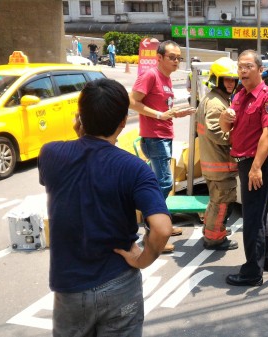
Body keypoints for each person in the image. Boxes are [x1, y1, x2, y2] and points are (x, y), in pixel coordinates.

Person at [38, 78, 172, 337]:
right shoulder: (134, 168)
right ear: (123, 122)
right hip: (119, 282)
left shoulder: (50, 154)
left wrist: (83, 135)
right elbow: (162, 228)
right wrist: (142, 260)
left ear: (80, 117)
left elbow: (81, 165)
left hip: (70, 287)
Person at [219, 49, 268, 287]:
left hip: (261, 163)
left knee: (253, 218)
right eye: (240, 67)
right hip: (247, 162)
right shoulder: (239, 95)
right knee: (260, 213)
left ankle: (251, 272)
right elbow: (227, 127)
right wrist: (225, 118)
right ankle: (267, 260)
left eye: (248, 67)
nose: (242, 71)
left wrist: (256, 167)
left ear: (260, 70)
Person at [129, 40, 195, 251]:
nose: (176, 61)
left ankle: (161, 224)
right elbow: (132, 101)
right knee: (163, 184)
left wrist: (177, 113)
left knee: (159, 183)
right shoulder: (150, 75)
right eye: (172, 57)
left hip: (163, 135)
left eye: (178, 58)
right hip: (154, 137)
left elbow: (164, 108)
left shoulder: (166, 79)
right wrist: (159, 115)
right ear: (159, 57)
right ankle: (152, 231)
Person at [197, 57, 239, 251]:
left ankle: (212, 229)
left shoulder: (216, 98)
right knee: (222, 202)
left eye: (233, 79)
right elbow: (217, 134)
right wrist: (239, 137)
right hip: (219, 164)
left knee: (216, 200)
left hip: (214, 162)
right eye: (226, 79)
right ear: (217, 79)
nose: (231, 83)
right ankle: (214, 238)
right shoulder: (216, 103)